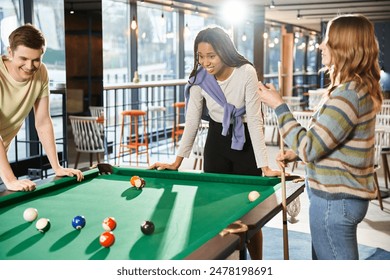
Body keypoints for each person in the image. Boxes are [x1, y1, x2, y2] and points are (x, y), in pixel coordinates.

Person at [258, 14, 383, 260]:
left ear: (344, 47)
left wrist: (279, 106)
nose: (320, 45)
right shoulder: (355, 89)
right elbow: (328, 143)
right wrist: (296, 152)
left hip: (334, 203)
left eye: (327, 39)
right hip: (340, 200)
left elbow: (310, 149)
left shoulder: (348, 95)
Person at [150, 26, 280, 259]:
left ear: (224, 51)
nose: (205, 62)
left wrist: (265, 165)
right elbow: (191, 121)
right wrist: (176, 162)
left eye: (211, 56)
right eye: (200, 56)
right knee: (215, 211)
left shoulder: (245, 72)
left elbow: (254, 118)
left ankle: (256, 265)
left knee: (249, 217)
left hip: (245, 140)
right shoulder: (199, 79)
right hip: (216, 142)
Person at [0, 24, 84, 192]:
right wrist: (10, 180)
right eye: (23, 59)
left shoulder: (41, 73)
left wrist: (57, 167)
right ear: (10, 52)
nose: (30, 66)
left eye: (36, 59)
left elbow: (43, 121)